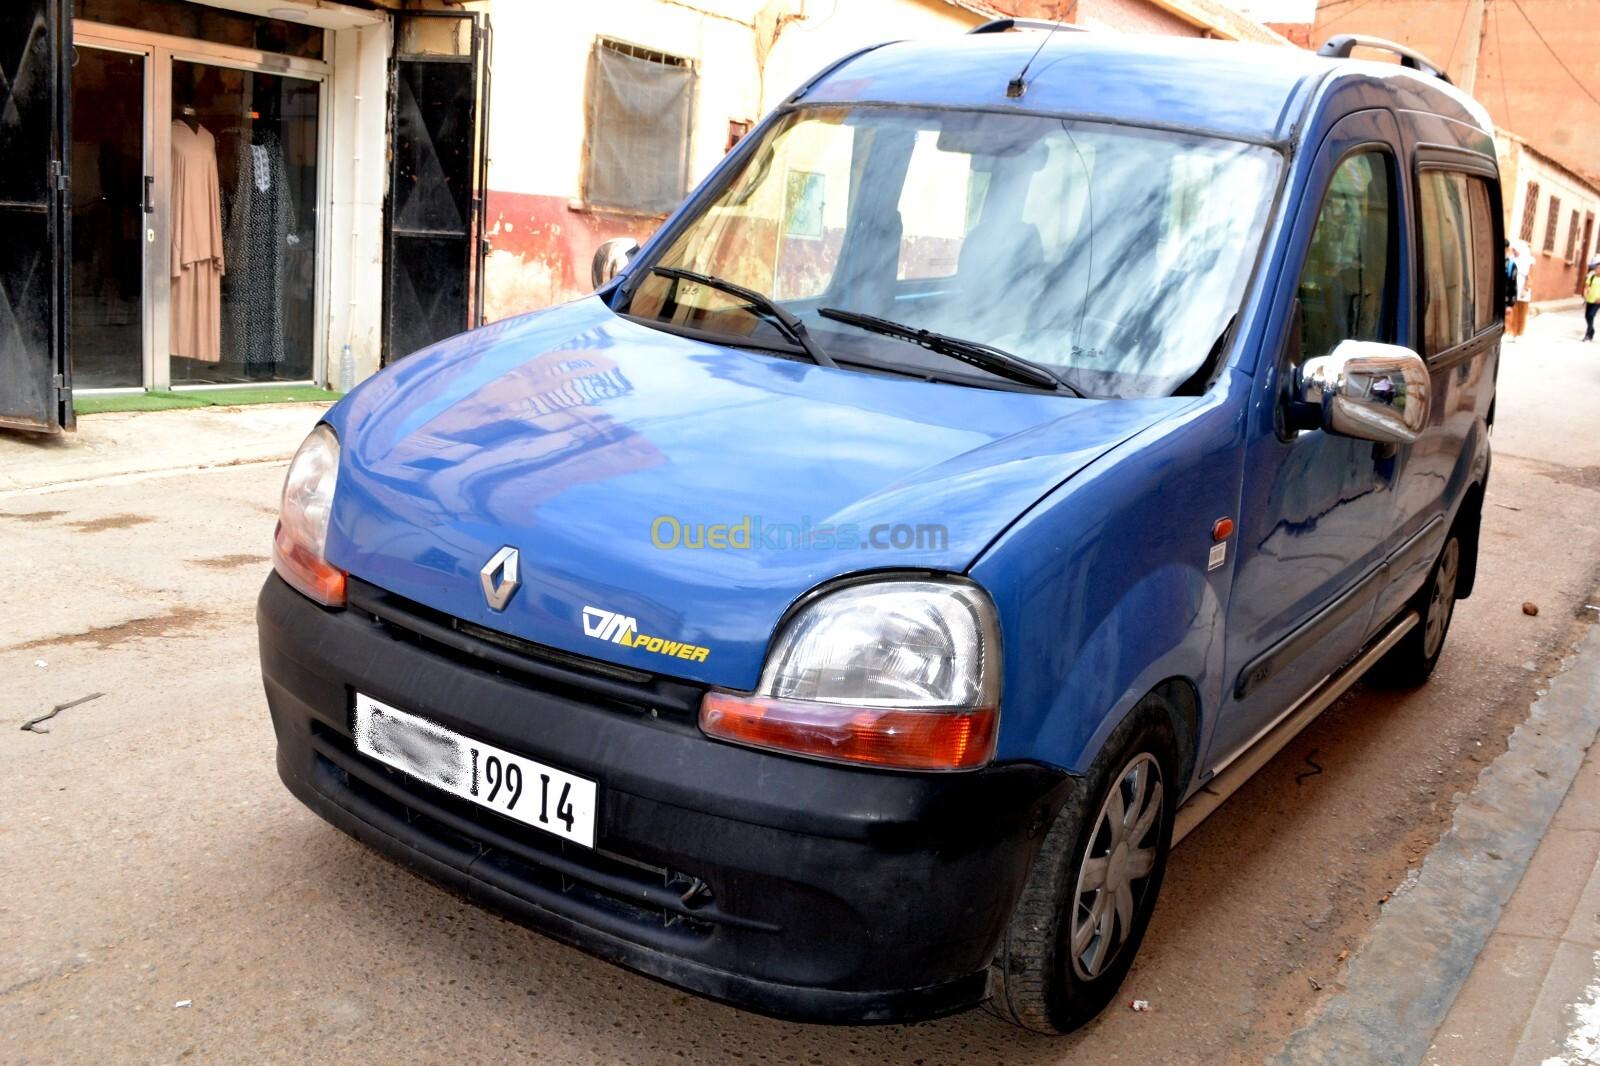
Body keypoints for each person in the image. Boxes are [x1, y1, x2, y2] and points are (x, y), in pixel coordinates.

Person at [1507, 239, 1535, 341]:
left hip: (1522, 287)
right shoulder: (1512, 259)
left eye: (1515, 250)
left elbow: (1530, 276)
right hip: (1513, 286)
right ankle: (1509, 331)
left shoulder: (1529, 261)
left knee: (1520, 311)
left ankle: (1516, 334)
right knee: (1511, 309)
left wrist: (1526, 289)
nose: (1514, 252)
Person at [1586, 255, 1600, 342]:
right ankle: (1592, 330)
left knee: (1591, 315)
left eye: (1599, 268)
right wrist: (1585, 293)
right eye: (1597, 267)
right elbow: (1587, 286)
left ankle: (1587, 334)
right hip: (1589, 299)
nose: (1597, 269)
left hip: (1597, 301)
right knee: (1587, 316)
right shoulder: (1592, 277)